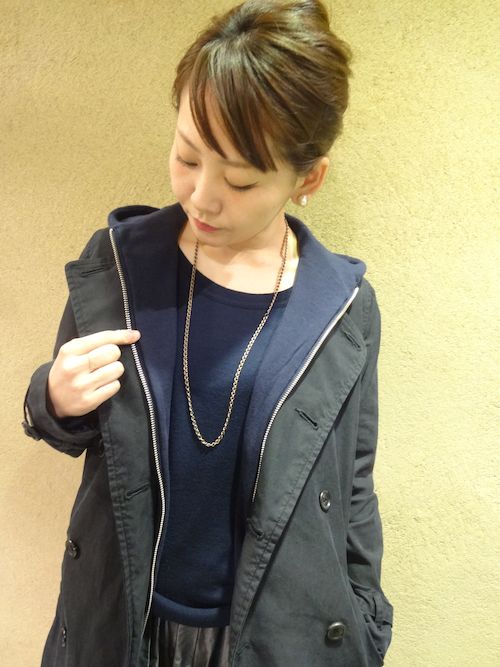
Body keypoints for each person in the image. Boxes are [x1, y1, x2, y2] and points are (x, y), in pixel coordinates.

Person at [22, 0, 394, 665]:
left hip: (276, 637)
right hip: (126, 623)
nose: (202, 196)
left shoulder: (343, 309)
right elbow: (69, 426)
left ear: (307, 178)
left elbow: (353, 483)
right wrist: (53, 396)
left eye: (241, 180)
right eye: (188, 157)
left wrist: (366, 620)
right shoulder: (119, 267)